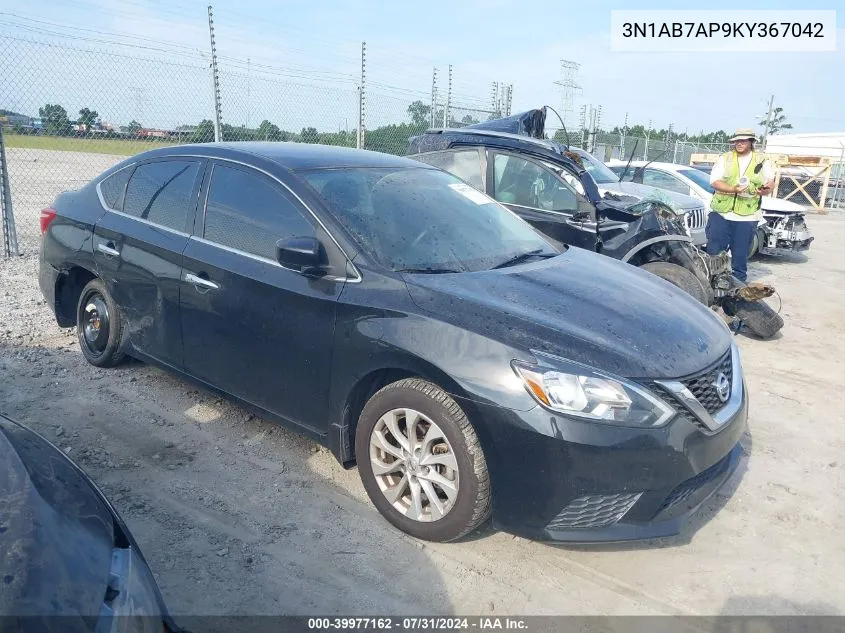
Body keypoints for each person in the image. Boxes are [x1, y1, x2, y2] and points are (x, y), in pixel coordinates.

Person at [706, 128, 776, 282]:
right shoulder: (725, 158)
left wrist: (763, 191)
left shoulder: (761, 161)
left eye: (743, 140)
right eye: (737, 141)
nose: (739, 143)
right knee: (715, 252)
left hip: (747, 216)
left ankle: (737, 288)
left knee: (740, 255)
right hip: (721, 213)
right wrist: (733, 189)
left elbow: (770, 183)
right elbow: (715, 181)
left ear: (751, 142)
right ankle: (713, 285)